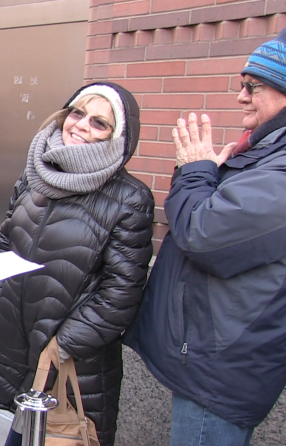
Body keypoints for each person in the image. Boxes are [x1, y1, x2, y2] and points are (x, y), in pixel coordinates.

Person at [124, 29, 286, 446]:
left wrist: (197, 171)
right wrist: (201, 175)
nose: (241, 96)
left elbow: (203, 234)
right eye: (240, 84)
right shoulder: (262, 154)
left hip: (222, 371)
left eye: (254, 86)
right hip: (212, 360)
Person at [0, 82, 154, 446]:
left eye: (99, 122)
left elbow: (121, 294)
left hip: (72, 365)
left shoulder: (130, 198)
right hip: (17, 349)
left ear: (117, 137)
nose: (82, 125)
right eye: (77, 113)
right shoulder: (34, 176)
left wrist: (60, 346)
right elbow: (5, 244)